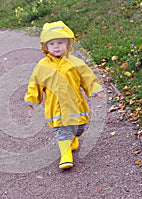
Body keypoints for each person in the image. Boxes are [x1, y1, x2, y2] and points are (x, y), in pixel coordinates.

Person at [24, 21, 104, 170]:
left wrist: (95, 89)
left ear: (68, 44)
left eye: (60, 42)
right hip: (56, 108)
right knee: (63, 130)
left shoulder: (75, 63)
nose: (56, 46)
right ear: (45, 47)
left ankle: (74, 138)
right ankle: (66, 155)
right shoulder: (42, 66)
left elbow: (87, 78)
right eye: (52, 43)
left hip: (76, 106)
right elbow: (35, 83)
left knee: (78, 128)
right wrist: (31, 98)